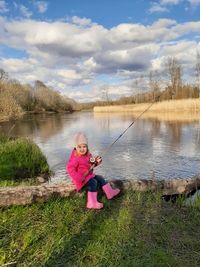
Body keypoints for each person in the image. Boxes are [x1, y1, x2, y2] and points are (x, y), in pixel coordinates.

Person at [66, 132, 120, 209]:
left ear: (87, 147)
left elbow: (92, 163)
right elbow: (70, 169)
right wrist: (79, 177)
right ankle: (91, 203)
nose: (82, 149)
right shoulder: (75, 158)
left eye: (84, 146)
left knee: (100, 178)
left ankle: (110, 193)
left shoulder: (88, 155)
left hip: (89, 176)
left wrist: (97, 161)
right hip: (81, 179)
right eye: (79, 147)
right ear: (76, 147)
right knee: (93, 182)